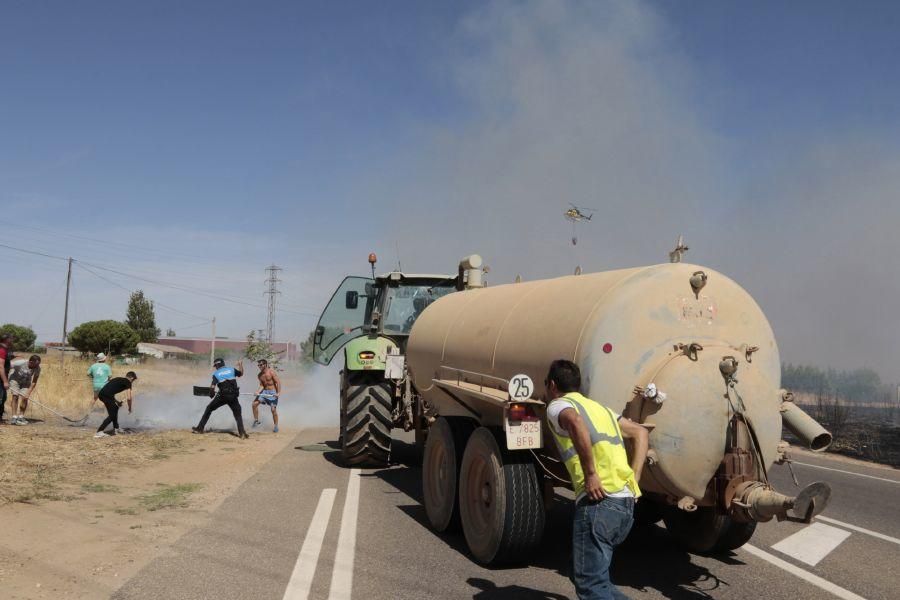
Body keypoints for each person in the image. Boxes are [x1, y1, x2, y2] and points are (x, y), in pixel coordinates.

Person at [544, 359, 649, 600]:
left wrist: (591, 474)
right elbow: (641, 432)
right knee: (583, 572)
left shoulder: (558, 405)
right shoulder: (601, 409)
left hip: (600, 501)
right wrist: (636, 476)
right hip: (624, 504)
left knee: (591, 585)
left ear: (552, 385)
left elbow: (574, 421)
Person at [193, 358, 248, 439]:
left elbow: (212, 388)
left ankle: (199, 429)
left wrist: (211, 394)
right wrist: (240, 364)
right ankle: (242, 433)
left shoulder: (216, 374)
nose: (215, 367)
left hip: (222, 396)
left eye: (215, 366)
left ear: (217, 365)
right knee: (238, 414)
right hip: (233, 396)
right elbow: (241, 373)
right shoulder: (231, 369)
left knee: (209, 409)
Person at [95, 371, 137, 438]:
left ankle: (116, 428)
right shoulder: (128, 382)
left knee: (115, 408)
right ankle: (99, 432)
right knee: (112, 415)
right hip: (106, 395)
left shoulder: (118, 379)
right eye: (133, 380)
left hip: (102, 394)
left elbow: (110, 390)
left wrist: (116, 402)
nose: (133, 381)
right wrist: (129, 408)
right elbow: (129, 398)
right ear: (131, 378)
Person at [8, 354, 41, 425]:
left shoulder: (38, 368)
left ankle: (21, 416)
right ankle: (14, 417)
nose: (37, 366)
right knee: (15, 396)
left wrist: (28, 393)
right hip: (15, 380)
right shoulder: (21, 362)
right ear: (31, 362)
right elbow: (7, 366)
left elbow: (34, 381)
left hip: (26, 383)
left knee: (25, 398)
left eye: (38, 364)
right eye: (36, 364)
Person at [252, 358, 281, 432]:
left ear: (265, 364)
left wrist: (278, 392)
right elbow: (262, 385)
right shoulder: (259, 375)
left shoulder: (271, 372)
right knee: (254, 404)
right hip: (265, 392)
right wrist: (257, 391)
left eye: (261, 365)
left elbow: (278, 382)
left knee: (273, 410)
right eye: (258, 365)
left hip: (272, 392)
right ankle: (256, 421)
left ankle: (276, 426)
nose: (259, 366)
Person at [0, 334, 11, 423]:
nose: (12, 340)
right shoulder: (2, 350)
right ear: (7, 339)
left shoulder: (6, 350)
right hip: (0, 379)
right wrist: (5, 381)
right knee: (1, 398)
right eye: (11, 338)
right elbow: (0, 366)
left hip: (2, 378)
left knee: (3, 398)